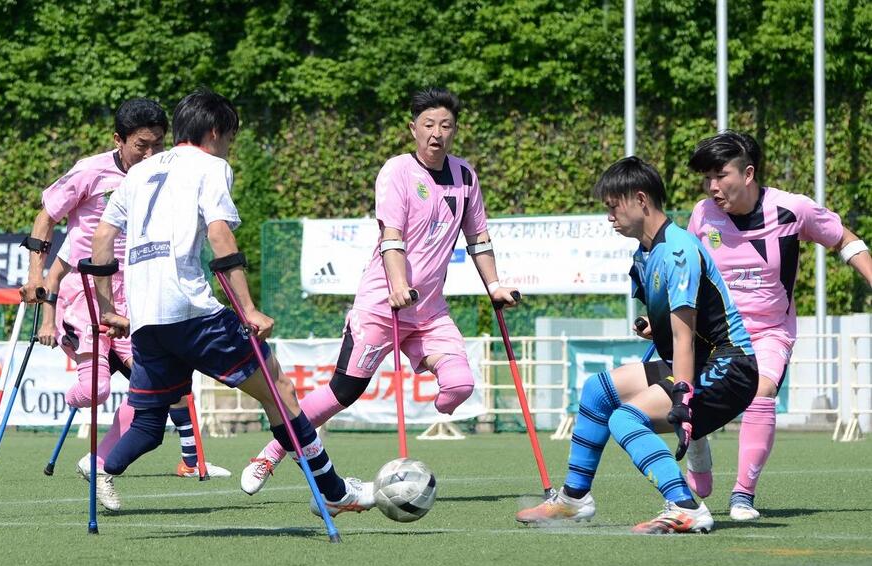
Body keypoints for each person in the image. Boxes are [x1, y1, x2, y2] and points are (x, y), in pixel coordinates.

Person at [90, 88, 373, 516]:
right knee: (279, 391)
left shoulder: (137, 173)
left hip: (146, 320)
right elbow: (220, 235)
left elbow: (102, 239)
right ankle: (333, 491)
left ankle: (100, 468)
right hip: (192, 314)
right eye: (230, 138)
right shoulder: (212, 166)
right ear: (217, 132)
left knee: (148, 427)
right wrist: (249, 309)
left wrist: (109, 308)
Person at [240, 87, 518, 495]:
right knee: (343, 392)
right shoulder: (397, 171)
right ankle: (272, 451)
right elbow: (392, 236)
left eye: (445, 125)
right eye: (428, 125)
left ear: (455, 131)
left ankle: (431, 417)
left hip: (428, 312)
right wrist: (399, 284)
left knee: (459, 385)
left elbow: (478, 238)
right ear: (413, 129)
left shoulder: (465, 177)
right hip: (381, 304)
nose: (436, 133)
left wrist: (494, 285)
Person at [516, 156, 759, 534]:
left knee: (625, 417)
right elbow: (678, 326)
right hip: (699, 361)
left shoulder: (678, 250)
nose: (610, 217)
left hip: (730, 368)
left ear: (641, 200)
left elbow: (683, 336)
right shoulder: (644, 254)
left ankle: (685, 506)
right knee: (597, 391)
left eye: (614, 207)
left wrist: (682, 396)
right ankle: (574, 499)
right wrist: (652, 326)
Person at [19, 99, 229, 512]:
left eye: (157, 145)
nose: (149, 154)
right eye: (141, 146)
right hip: (86, 293)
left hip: (136, 293)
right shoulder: (90, 171)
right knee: (97, 390)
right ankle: (77, 398)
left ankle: (100, 466)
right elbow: (46, 217)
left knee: (152, 390)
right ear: (119, 140)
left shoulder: (168, 170)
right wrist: (35, 276)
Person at [684, 131, 872, 521]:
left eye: (721, 176)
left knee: (761, 391)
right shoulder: (703, 215)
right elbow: (685, 271)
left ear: (748, 173)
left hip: (770, 330)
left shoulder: (793, 209)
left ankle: (742, 496)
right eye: (707, 179)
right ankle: (698, 453)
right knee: (687, 398)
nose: (713, 187)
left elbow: (843, 240)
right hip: (714, 332)